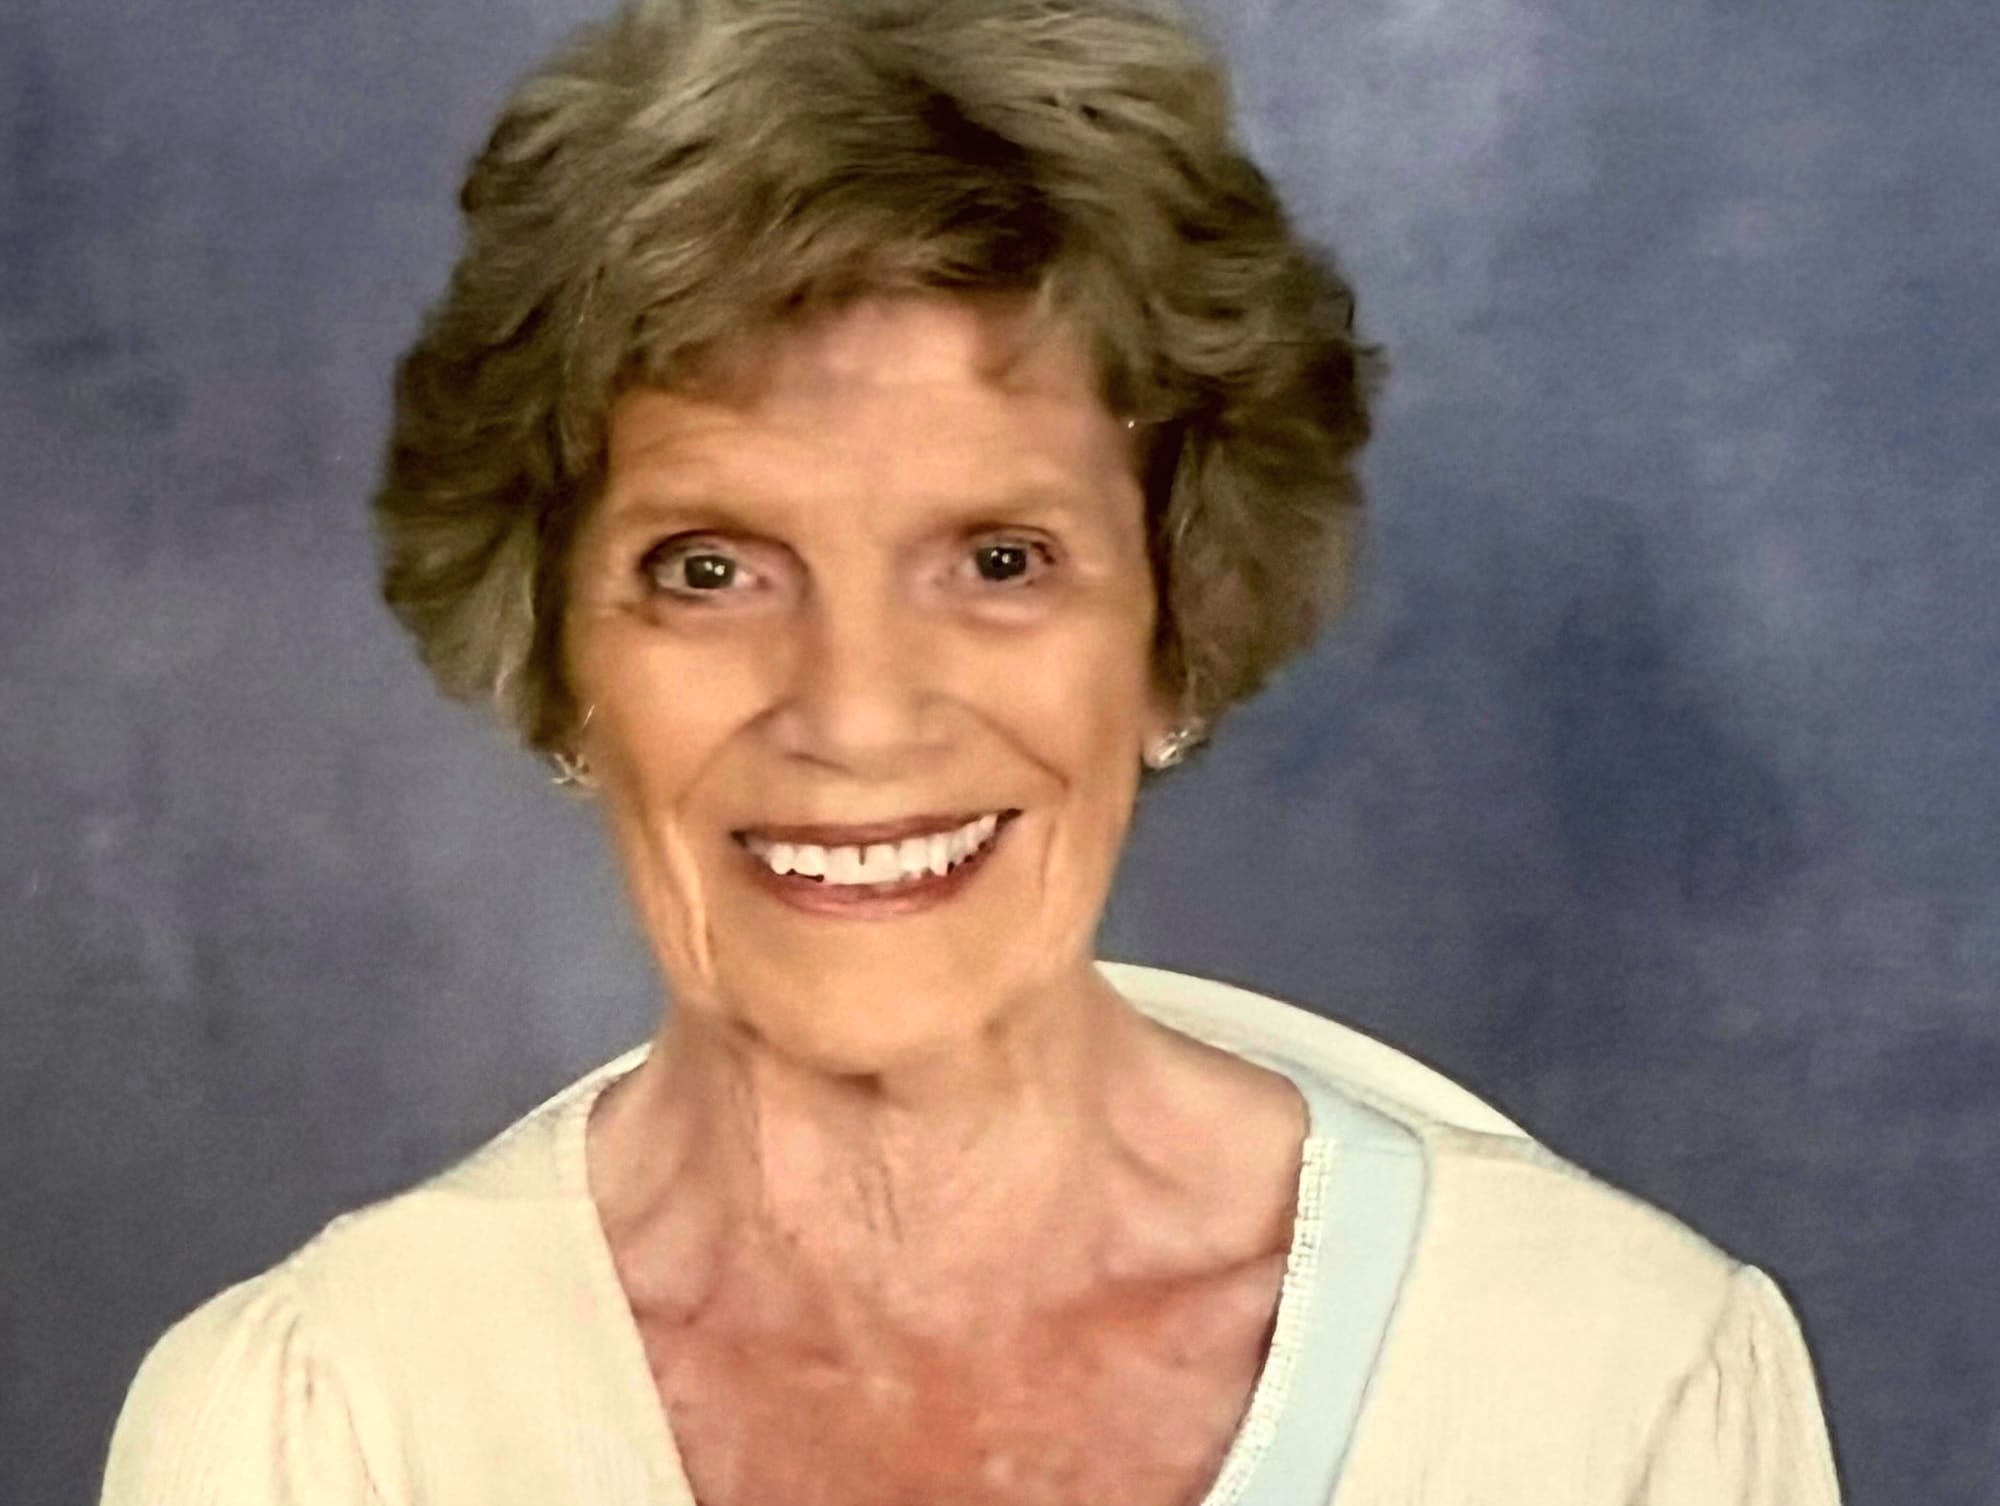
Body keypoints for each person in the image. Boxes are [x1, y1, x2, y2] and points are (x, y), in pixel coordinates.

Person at [100, 0, 1844, 1502]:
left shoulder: (1617, 1384)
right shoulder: (316, 1427)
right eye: (709, 569)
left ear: (1176, 629)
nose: (857, 713)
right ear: (558, 663)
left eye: (1000, 561)